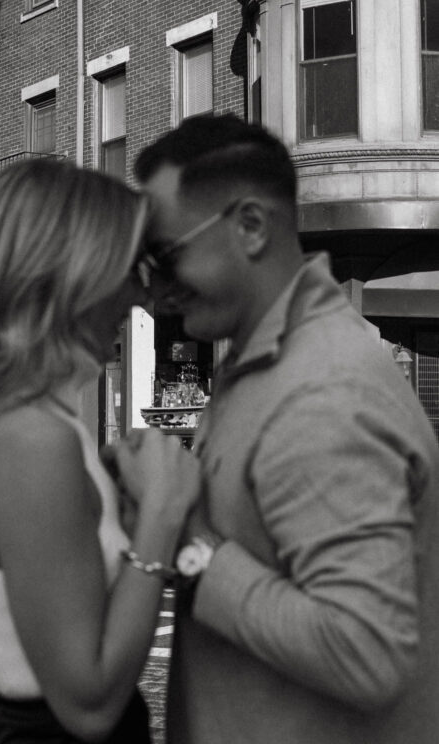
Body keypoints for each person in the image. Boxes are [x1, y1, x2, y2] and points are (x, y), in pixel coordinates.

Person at [116, 113, 439, 744]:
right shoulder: (260, 362)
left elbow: (365, 653)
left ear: (251, 226)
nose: (151, 287)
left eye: (165, 254)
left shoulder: (325, 393)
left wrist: (184, 537)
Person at [0, 157, 200, 744]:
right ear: (75, 271)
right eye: (130, 267)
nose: (140, 292)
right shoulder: (25, 439)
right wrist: (161, 514)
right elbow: (89, 705)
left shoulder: (17, 421)